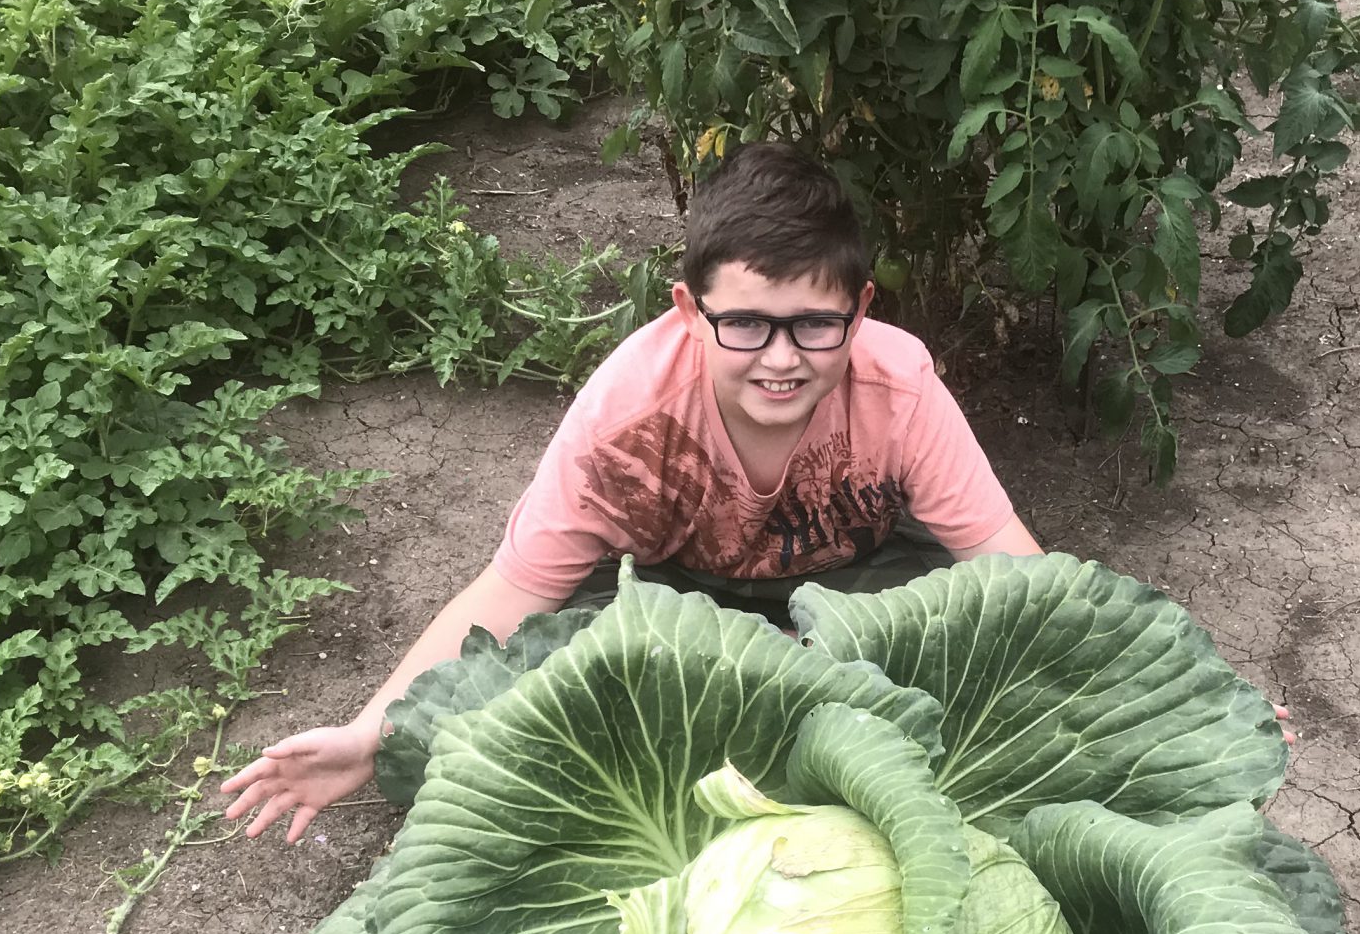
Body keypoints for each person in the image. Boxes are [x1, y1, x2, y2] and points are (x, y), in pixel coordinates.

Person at [221, 141, 1046, 843]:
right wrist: (372, 736)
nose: (782, 358)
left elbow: (1012, 568)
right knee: (523, 689)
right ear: (689, 310)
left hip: (851, 595)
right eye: (747, 324)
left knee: (971, 649)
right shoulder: (630, 415)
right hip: (669, 605)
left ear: (860, 311)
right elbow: (516, 588)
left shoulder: (896, 386)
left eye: (814, 325)